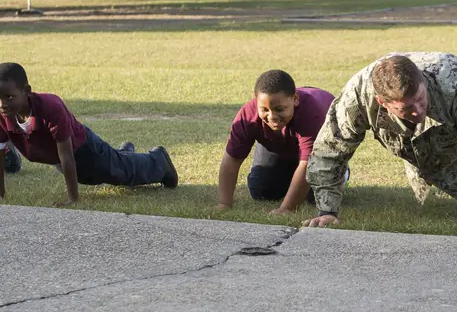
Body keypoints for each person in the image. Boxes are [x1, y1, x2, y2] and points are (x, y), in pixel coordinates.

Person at [303, 52, 457, 234]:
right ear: (382, 102)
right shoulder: (357, 96)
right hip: (410, 144)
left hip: (452, 126)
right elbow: (329, 152)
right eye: (406, 109)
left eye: (420, 100)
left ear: (423, 83)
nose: (418, 111)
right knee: (448, 185)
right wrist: (327, 211)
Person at [0, 62, 178, 206]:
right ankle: (123, 154)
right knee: (111, 166)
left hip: (86, 151)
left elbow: (67, 156)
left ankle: (159, 161)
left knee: (123, 173)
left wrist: (73, 199)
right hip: (64, 161)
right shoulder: (3, 115)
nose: (3, 104)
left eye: (9, 97)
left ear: (27, 91)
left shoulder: (51, 108)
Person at [216, 69, 336, 215]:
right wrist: (224, 203)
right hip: (280, 142)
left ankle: (341, 171)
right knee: (262, 190)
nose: (272, 116)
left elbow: (307, 165)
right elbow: (232, 159)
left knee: (315, 195)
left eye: (279, 109)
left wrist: (285, 209)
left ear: (295, 99)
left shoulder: (312, 114)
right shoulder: (248, 116)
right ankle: (290, 169)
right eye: (264, 109)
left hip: (323, 137)